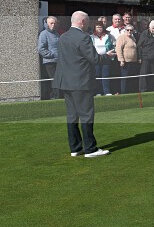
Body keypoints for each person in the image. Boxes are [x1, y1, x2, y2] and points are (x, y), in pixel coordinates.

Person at [52, 11, 109, 157]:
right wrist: (108, 56)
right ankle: (90, 149)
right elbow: (94, 59)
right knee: (86, 115)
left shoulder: (63, 37)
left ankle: (75, 148)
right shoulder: (83, 38)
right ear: (82, 22)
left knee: (72, 116)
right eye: (88, 21)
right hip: (81, 82)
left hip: (66, 82)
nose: (89, 24)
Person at [38, 15, 61, 100]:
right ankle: (54, 97)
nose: (53, 25)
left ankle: (58, 96)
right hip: (49, 62)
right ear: (47, 23)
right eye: (51, 23)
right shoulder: (43, 34)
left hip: (58, 61)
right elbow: (41, 49)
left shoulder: (57, 33)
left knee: (58, 79)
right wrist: (52, 55)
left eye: (55, 23)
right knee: (53, 80)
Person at [137, 20, 154, 93]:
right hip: (146, 58)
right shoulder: (144, 34)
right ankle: (143, 90)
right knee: (144, 75)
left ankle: (151, 89)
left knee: (153, 75)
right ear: (149, 27)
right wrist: (139, 57)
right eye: (153, 28)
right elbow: (139, 46)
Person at [91, 21, 115, 96]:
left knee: (105, 75)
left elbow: (112, 46)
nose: (99, 29)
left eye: (100, 27)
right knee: (97, 75)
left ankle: (106, 91)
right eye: (97, 27)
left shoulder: (107, 36)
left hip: (106, 58)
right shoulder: (91, 37)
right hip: (96, 59)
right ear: (95, 28)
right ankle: (98, 92)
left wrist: (111, 54)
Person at [115, 26, 139, 94]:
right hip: (125, 62)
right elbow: (118, 49)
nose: (129, 31)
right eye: (127, 30)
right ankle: (123, 93)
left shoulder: (133, 38)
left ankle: (130, 92)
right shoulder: (121, 37)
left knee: (131, 79)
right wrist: (121, 60)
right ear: (125, 30)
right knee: (124, 79)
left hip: (133, 62)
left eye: (131, 30)